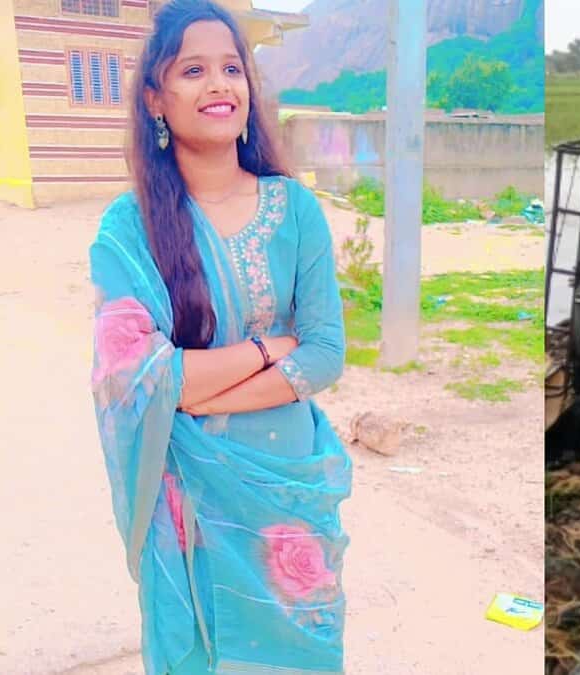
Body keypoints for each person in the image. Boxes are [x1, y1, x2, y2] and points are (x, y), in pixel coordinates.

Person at [88, 1, 351, 672]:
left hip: (284, 489)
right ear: (155, 98)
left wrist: (202, 394)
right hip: (189, 495)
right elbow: (137, 377)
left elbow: (326, 352)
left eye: (232, 68)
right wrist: (267, 348)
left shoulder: (295, 209)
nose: (219, 85)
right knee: (200, 648)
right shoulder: (129, 230)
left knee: (299, 652)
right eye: (193, 70)